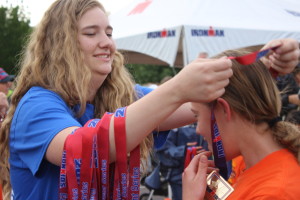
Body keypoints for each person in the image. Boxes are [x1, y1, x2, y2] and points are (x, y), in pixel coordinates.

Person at [0, 0, 298, 199]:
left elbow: (199, 103)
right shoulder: (37, 105)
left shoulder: (121, 97)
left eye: (109, 31)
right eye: (91, 33)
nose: (107, 42)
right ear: (60, 44)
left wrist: (264, 67)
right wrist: (177, 87)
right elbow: (82, 150)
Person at [182, 47, 300, 200]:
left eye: (197, 116)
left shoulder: (275, 193)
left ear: (224, 110)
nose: (198, 130)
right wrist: (212, 192)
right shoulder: (250, 162)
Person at [155, 125, 208, 200]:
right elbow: (165, 149)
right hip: (178, 174)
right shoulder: (173, 124)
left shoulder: (200, 121)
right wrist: (186, 150)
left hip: (202, 172)